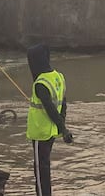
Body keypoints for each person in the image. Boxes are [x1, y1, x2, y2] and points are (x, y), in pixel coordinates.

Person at [26, 44, 72, 196]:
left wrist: (63, 128)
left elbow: (50, 108)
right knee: (44, 167)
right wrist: (61, 126)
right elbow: (63, 104)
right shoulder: (58, 77)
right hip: (51, 131)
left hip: (41, 132)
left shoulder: (40, 83)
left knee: (40, 170)